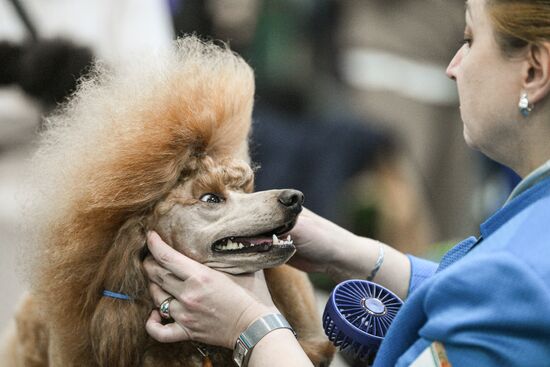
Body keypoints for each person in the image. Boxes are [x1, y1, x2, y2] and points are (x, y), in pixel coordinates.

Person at [142, 0, 550, 365]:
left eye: (470, 39)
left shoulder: (514, 278)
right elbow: (479, 292)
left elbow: (494, 293)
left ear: (534, 69)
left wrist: (250, 327)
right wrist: (348, 252)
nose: (453, 65)